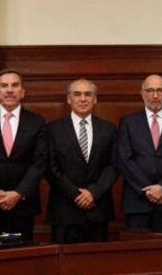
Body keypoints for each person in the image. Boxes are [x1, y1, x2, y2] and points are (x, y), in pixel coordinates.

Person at [0, 68, 47, 242]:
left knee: (21, 259)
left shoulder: (37, 122)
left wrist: (18, 193)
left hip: (23, 205)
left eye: (15, 85)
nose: (9, 90)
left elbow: (40, 162)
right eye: (4, 86)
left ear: (22, 92)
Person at [45, 79, 118, 243]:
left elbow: (114, 165)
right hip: (65, 210)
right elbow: (50, 168)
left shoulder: (109, 129)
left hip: (97, 209)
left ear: (95, 99)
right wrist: (76, 194)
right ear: (69, 99)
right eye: (77, 94)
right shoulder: (52, 129)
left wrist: (93, 193)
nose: (83, 99)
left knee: (97, 265)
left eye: (88, 94)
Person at [117, 74, 162, 232]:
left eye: (159, 90)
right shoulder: (128, 122)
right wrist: (149, 190)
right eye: (150, 90)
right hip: (137, 203)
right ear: (142, 93)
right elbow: (125, 159)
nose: (155, 95)